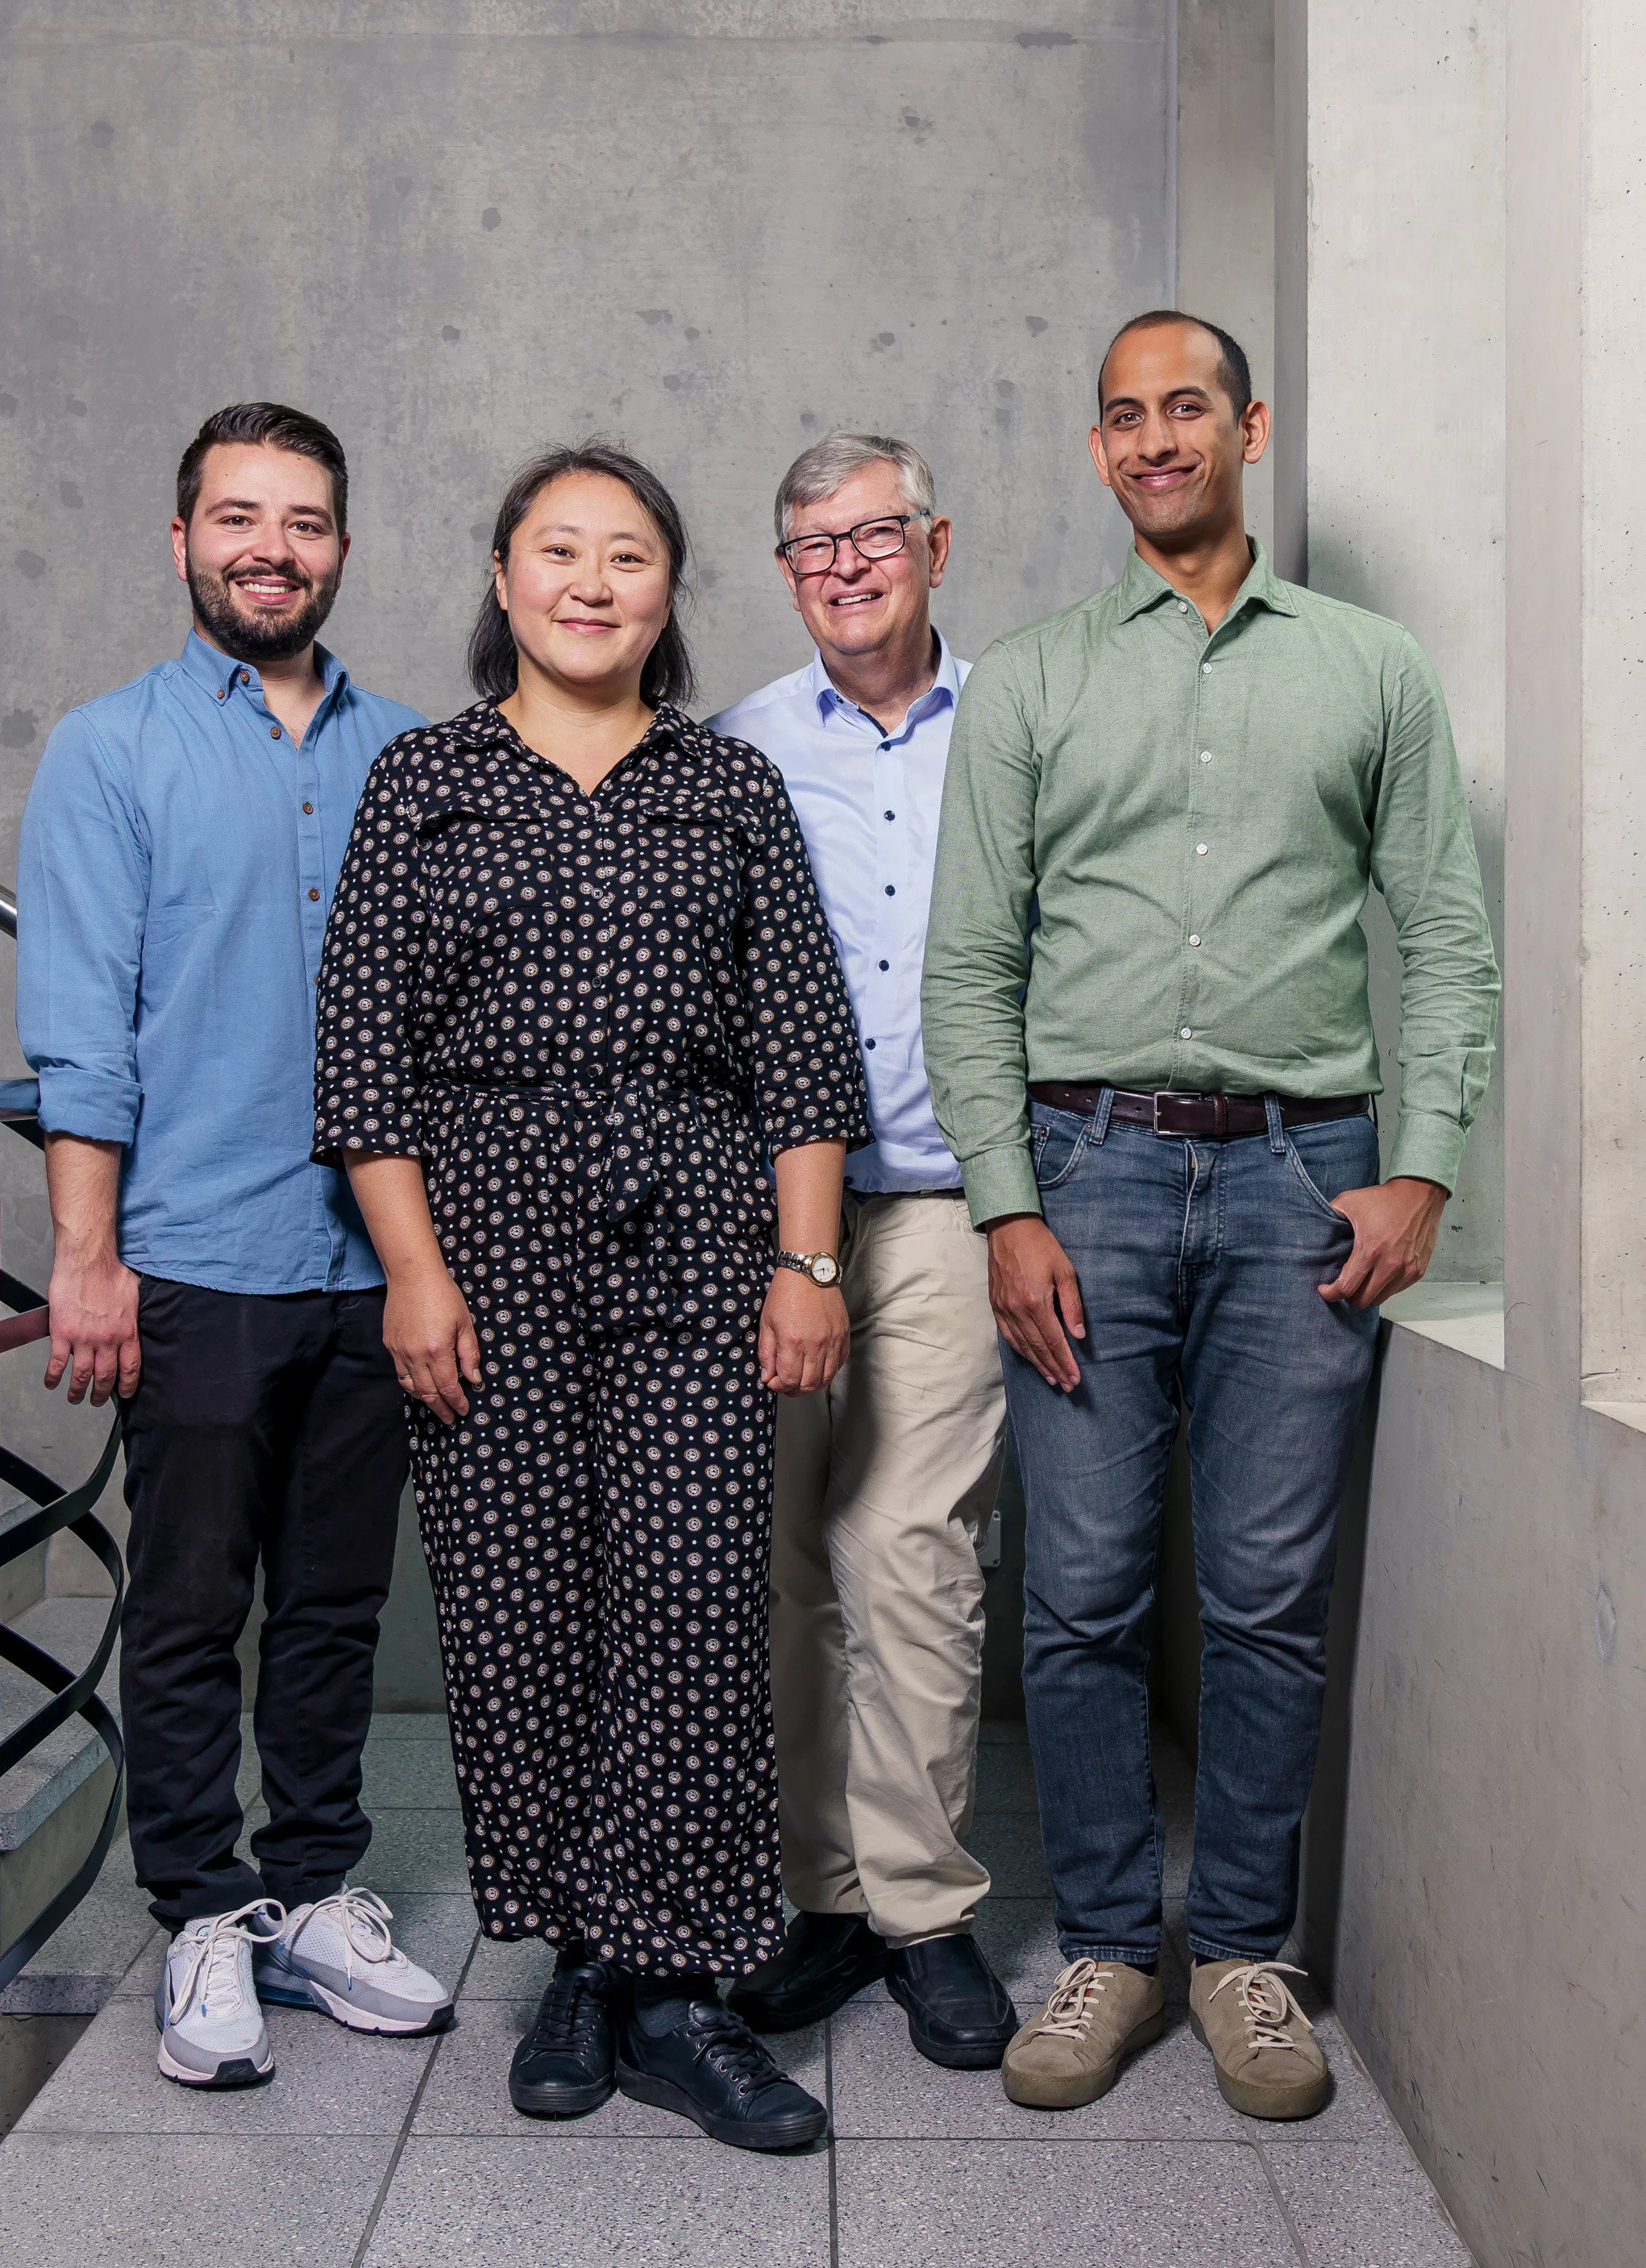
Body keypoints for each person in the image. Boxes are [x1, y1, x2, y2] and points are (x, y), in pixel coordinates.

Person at [922, 313, 1499, 2120]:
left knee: (1264, 1596)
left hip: (1303, 1180)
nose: (1157, 438)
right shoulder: (1028, 678)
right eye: (1125, 416)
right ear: (1100, 452)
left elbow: (1452, 936)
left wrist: (1422, 1166)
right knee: (1083, 1588)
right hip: (1084, 1174)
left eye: (1189, 407)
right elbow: (971, 965)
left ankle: (1245, 1951)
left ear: (1250, 426)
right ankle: (1109, 1940)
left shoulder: (1372, 668)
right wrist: (1011, 1206)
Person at [314, 440, 871, 2153]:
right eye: (559, 549)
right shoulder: (422, 782)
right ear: (502, 578)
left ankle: (682, 1986)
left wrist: (807, 1259)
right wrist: (413, 1273)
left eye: (628, 554)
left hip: (704, 1235)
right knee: (519, 1607)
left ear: (665, 593)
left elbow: (806, 1050)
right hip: (480, 1244)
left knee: (694, 1607)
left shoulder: (728, 790)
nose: (592, 579)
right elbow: (360, 1062)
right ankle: (582, 1957)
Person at [18, 402, 451, 2091]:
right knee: (193, 1604)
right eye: (238, 515)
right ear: (183, 537)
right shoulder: (107, 749)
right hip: (189, 1256)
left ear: (341, 546)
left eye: (305, 518)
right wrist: (86, 1248)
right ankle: (202, 1907)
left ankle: (315, 1888)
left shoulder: (410, 754)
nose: (272, 544)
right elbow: (82, 1025)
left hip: (372, 1264)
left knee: (337, 1604)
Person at [709, 435, 1016, 2068]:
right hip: (777, 1215)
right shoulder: (741, 747)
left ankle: (923, 1905)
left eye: (874, 532)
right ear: (785, 571)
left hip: (959, 1204)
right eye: (812, 541)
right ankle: (819, 1894)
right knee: (779, 1558)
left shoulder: (1022, 725)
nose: (845, 562)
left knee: (914, 1544)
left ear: (935, 542)